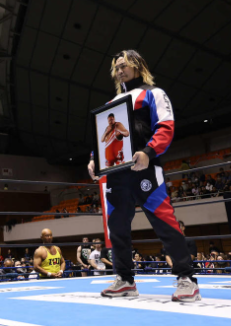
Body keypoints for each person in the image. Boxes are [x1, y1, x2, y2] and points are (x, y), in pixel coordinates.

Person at [87, 50, 199, 302]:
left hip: (145, 167)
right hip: (116, 174)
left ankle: (186, 279)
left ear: (138, 66)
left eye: (125, 65)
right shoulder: (110, 105)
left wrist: (149, 151)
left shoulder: (154, 93)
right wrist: (94, 159)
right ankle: (125, 280)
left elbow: (166, 126)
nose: (120, 70)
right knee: (116, 228)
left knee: (164, 222)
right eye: (116, 67)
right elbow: (102, 137)